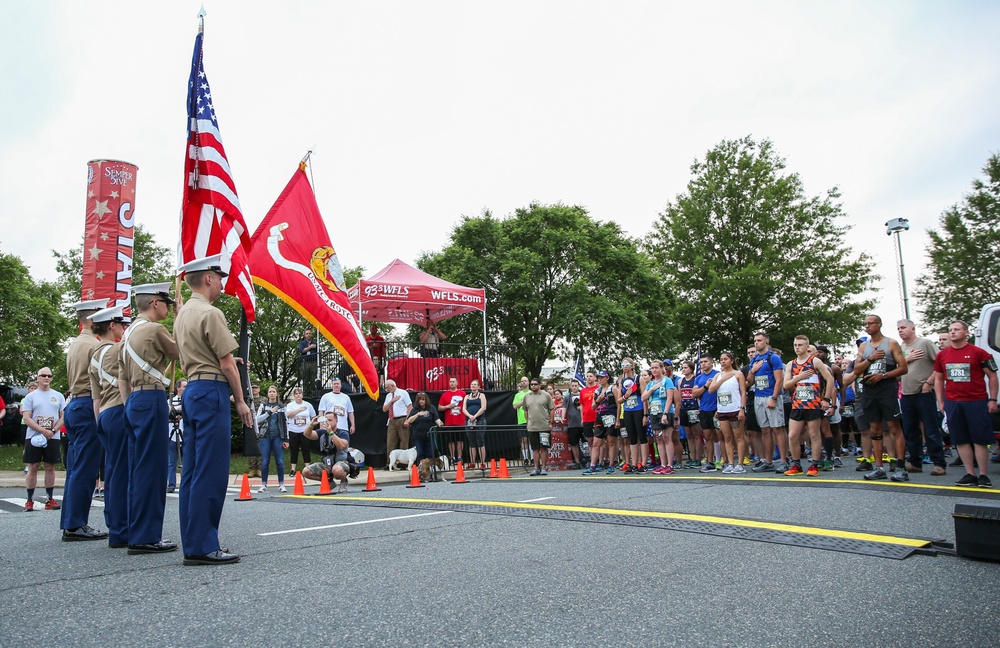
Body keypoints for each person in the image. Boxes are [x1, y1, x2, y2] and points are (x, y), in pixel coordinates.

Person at [174, 254, 253, 566]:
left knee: (193, 472)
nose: (221, 282)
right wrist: (242, 400)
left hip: (193, 388)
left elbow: (186, 360)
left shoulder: (182, 315)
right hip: (212, 391)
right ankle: (204, 545)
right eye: (218, 277)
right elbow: (225, 365)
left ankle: (194, 541)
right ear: (207, 278)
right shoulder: (211, 312)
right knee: (211, 471)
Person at [118, 283, 180, 554]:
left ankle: (134, 531)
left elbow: (122, 378)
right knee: (152, 470)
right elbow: (181, 352)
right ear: (155, 303)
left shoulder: (128, 333)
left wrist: (130, 403)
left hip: (133, 400)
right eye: (167, 302)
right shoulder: (154, 330)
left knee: (137, 468)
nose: (169, 307)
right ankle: (145, 536)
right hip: (150, 398)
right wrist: (181, 316)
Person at [59, 298, 107, 537]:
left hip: (75, 404)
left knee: (76, 467)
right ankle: (76, 523)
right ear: (93, 317)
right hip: (88, 403)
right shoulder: (94, 345)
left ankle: (70, 520)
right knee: (86, 468)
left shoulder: (76, 344)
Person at [931, 320, 998, 488]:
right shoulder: (943, 355)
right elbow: (939, 379)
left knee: (980, 439)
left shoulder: (979, 353)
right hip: (953, 402)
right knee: (960, 439)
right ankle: (970, 474)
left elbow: (992, 377)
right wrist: (941, 400)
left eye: (957, 329)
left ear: (966, 333)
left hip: (976, 401)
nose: (953, 332)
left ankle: (983, 475)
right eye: (951, 329)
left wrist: (992, 399)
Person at [86, 306, 128, 546]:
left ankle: (114, 524)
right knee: (124, 473)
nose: (124, 328)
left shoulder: (95, 356)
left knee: (112, 472)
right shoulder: (118, 350)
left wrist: (99, 423)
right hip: (119, 410)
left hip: (103, 415)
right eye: (121, 324)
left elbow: (96, 398)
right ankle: (122, 529)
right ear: (111, 325)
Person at [854, 314, 909, 481]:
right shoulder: (864, 347)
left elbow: (904, 368)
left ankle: (900, 467)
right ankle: (879, 468)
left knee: (894, 428)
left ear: (879, 324)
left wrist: (883, 376)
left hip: (887, 391)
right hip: (869, 393)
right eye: (866, 324)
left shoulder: (890, 343)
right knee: (875, 429)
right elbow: (857, 370)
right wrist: (870, 359)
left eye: (871, 323)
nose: (867, 326)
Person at [897, 319, 946, 476]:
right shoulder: (901, 348)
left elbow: (941, 364)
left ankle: (939, 463)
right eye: (898, 328)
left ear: (912, 328)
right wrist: (907, 360)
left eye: (903, 327)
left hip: (924, 393)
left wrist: (930, 382)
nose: (900, 331)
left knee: (931, 429)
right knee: (910, 430)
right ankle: (915, 462)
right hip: (906, 394)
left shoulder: (925, 343)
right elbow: (897, 371)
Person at [782, 335, 836, 476]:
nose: (797, 347)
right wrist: (799, 376)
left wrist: (826, 399)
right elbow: (786, 385)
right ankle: (796, 464)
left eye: (800, 345)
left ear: (807, 347)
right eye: (795, 345)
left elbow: (830, 380)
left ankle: (814, 465)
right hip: (798, 404)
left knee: (814, 435)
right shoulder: (791, 364)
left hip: (813, 403)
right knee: (793, 435)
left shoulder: (815, 361)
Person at [21, 367, 66, 513]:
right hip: (34, 436)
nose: (46, 378)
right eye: (43, 376)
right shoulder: (31, 397)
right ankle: (29, 500)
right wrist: (42, 430)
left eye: (49, 376)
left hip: (52, 436)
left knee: (49, 467)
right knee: (33, 466)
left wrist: (52, 431)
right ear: (38, 377)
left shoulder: (58, 396)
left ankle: (50, 498)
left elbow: (63, 417)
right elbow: (26, 417)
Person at [746, 331, 786, 473]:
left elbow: (779, 380)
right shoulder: (754, 360)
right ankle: (768, 462)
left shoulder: (773, 358)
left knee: (778, 428)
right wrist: (752, 371)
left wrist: (774, 398)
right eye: (755, 340)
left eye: (759, 340)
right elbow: (748, 383)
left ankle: (783, 461)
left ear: (766, 342)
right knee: (765, 430)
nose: (756, 343)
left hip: (771, 395)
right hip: (758, 396)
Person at [709, 351, 748, 473]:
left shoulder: (738, 374)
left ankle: (740, 463)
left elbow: (743, 392)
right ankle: (730, 463)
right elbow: (711, 389)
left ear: (731, 360)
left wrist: (742, 409)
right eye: (721, 359)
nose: (723, 361)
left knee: (739, 437)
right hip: (722, 411)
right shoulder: (718, 376)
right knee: (727, 437)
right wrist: (722, 379)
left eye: (725, 359)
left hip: (735, 409)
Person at [302, 411, 353, 492]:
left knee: (337, 470)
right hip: (327, 464)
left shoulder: (343, 433)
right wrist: (311, 424)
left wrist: (331, 433)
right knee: (306, 471)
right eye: (326, 420)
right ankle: (329, 482)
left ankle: (343, 481)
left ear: (336, 421)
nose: (327, 422)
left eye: (330, 420)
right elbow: (307, 434)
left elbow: (341, 445)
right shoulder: (322, 432)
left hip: (341, 463)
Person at [643, 360, 677, 474]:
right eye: (652, 368)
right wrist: (652, 389)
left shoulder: (667, 381)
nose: (654, 370)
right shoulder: (651, 383)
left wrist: (665, 414)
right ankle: (662, 464)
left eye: (656, 368)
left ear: (661, 368)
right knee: (658, 439)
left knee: (667, 438)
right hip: (653, 412)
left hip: (664, 411)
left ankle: (670, 465)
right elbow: (643, 397)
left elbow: (669, 398)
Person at [615, 358, 648, 473]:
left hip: (638, 410)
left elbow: (644, 398)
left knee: (642, 436)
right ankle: (633, 463)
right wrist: (625, 396)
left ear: (632, 366)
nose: (625, 366)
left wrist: (645, 414)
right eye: (623, 364)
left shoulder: (639, 379)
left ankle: (643, 463)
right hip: (628, 411)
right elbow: (619, 400)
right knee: (631, 438)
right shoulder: (621, 380)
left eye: (627, 364)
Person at [254, 386, 289, 493]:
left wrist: (286, 439)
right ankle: (263, 484)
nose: (272, 394)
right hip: (265, 436)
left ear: (277, 394)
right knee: (265, 461)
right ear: (268, 394)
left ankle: (281, 484)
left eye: (274, 392)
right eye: (270, 392)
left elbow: (286, 422)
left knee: (280, 461)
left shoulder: (282, 407)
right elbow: (257, 420)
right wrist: (269, 412)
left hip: (278, 437)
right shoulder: (263, 406)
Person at [694, 356, 722, 473]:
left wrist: (719, 408)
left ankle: (722, 460)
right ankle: (710, 462)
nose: (703, 364)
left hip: (717, 409)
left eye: (705, 362)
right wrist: (705, 386)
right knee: (708, 436)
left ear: (712, 362)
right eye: (701, 362)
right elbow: (694, 393)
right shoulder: (699, 378)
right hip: (704, 410)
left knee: (720, 436)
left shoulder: (719, 374)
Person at [522, 378, 555, 476]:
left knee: (544, 448)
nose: (533, 386)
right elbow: (525, 410)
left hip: (544, 426)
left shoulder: (546, 395)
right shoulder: (527, 396)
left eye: (535, 384)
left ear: (540, 385)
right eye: (531, 384)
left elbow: (552, 409)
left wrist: (550, 422)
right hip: (532, 427)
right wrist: (528, 423)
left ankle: (544, 467)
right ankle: (536, 468)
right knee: (535, 448)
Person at [404, 392, 443, 472]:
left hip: (430, 435)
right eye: (419, 400)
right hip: (418, 436)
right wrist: (418, 414)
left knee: (430, 453)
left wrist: (440, 423)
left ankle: (430, 471)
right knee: (420, 453)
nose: (421, 401)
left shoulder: (431, 408)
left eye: (423, 399)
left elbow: (436, 418)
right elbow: (409, 421)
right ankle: (421, 471)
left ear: (426, 400)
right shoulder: (415, 409)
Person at [677, 361, 703, 468]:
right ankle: (692, 457)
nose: (683, 369)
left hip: (694, 408)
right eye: (682, 368)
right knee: (689, 435)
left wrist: (699, 408)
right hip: (684, 409)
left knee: (697, 434)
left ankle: (698, 458)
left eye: (686, 367)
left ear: (691, 369)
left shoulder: (695, 379)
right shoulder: (680, 381)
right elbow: (679, 397)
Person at [285, 387, 316, 476]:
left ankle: (308, 468)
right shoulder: (290, 405)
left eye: (299, 393)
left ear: (302, 395)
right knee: (294, 450)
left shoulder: (308, 405)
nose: (298, 395)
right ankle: (293, 469)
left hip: (305, 431)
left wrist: (310, 426)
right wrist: (299, 409)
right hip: (293, 430)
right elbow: (288, 414)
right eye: (296, 394)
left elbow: (312, 417)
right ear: (294, 396)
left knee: (306, 449)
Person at [381, 379, 412, 465]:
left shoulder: (403, 393)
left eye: (387, 387)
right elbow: (384, 409)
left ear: (393, 386)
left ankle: (403, 463)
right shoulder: (388, 396)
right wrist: (392, 401)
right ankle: (390, 463)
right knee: (391, 441)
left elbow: (410, 406)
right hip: (392, 420)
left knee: (404, 441)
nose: (386, 389)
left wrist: (407, 419)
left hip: (402, 418)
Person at [439, 377, 467, 465]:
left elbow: (466, 405)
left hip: (460, 421)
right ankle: (452, 457)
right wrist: (448, 406)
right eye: (450, 381)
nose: (451, 383)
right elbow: (439, 407)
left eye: (453, 382)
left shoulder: (462, 393)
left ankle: (459, 457)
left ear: (457, 383)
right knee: (450, 441)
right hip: (449, 422)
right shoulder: (445, 395)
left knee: (460, 440)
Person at [462, 379, 488, 469]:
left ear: (478, 386)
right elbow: (464, 409)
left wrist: (475, 416)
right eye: (472, 384)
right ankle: (472, 462)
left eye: (475, 384)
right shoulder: (467, 397)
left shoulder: (482, 395)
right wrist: (469, 416)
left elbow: (483, 407)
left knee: (480, 440)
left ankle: (482, 462)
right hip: (469, 421)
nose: (473, 386)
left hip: (480, 420)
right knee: (471, 442)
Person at [167, 380, 186, 493]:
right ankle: (171, 484)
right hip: (172, 434)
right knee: (171, 461)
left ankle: (185, 483)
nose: (186, 388)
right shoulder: (170, 401)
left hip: (185, 434)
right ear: (178, 388)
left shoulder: (189, 401)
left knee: (187, 460)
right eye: (184, 386)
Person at [246, 383, 265, 478]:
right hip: (250, 424)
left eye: (256, 388)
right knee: (252, 446)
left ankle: (259, 469)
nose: (254, 389)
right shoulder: (248, 399)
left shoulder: (264, 400)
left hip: (261, 425)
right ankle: (252, 469)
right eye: (252, 388)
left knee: (260, 446)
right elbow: (232, 398)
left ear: (259, 389)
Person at [564, 380, 583, 470]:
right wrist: (562, 417)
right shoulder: (567, 397)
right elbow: (564, 408)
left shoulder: (582, 395)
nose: (574, 387)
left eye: (576, 385)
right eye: (573, 385)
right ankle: (577, 461)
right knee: (574, 443)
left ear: (579, 386)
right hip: (572, 424)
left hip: (583, 422)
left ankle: (589, 460)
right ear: (570, 386)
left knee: (587, 442)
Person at [512, 376, 531, 465]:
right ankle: (526, 458)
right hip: (522, 420)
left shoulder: (532, 393)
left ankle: (532, 457)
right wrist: (523, 401)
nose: (524, 382)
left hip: (532, 419)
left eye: (525, 381)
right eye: (522, 381)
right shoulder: (518, 395)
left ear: (528, 382)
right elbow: (515, 406)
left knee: (532, 439)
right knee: (524, 439)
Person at [298, 329, 318, 398]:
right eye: (307, 333)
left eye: (309, 333)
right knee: (305, 378)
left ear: (311, 335)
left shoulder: (315, 343)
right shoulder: (302, 343)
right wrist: (310, 347)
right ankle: (306, 394)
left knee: (313, 378)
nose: (308, 334)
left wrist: (314, 347)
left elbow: (318, 351)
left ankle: (313, 393)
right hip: (305, 363)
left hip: (313, 362)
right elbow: (302, 350)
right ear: (304, 335)